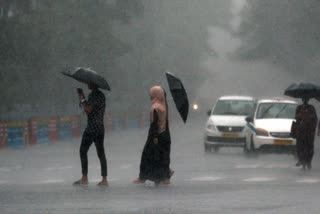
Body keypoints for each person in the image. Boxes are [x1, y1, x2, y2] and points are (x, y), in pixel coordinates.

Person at [134, 86, 174, 185]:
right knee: (163, 156)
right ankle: (165, 176)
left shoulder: (155, 107)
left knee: (146, 155)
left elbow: (154, 124)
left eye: (151, 94)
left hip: (156, 135)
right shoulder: (164, 106)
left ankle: (143, 177)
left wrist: (154, 136)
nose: (150, 96)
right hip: (165, 134)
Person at [73, 82, 108, 186]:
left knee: (83, 151)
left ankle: (84, 178)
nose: (87, 83)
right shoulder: (101, 95)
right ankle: (104, 179)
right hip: (100, 127)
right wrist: (84, 101)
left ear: (93, 84)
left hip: (92, 128)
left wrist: (81, 96)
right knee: (101, 153)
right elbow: (91, 108)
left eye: (89, 82)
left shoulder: (93, 95)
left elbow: (88, 109)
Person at [294, 97, 318, 170]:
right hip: (301, 132)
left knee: (309, 147)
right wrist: (300, 117)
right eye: (303, 99)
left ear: (307, 100)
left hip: (309, 132)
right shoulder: (299, 108)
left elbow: (315, 119)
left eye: (305, 99)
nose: (304, 101)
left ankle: (308, 162)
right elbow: (296, 117)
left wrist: (309, 121)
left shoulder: (311, 108)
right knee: (300, 147)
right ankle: (302, 161)